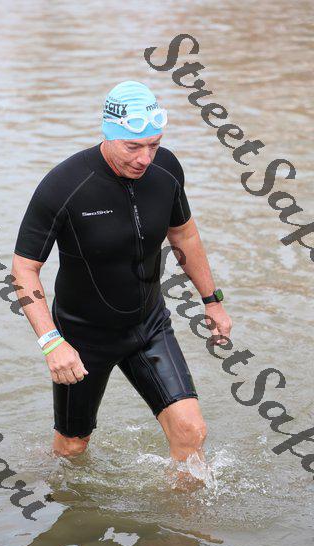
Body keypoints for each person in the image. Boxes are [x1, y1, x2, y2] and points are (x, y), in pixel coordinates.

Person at [12, 80, 232, 485]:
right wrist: (51, 342)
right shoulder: (64, 185)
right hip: (83, 337)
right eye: (133, 147)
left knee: (192, 432)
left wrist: (212, 300)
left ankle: (182, 524)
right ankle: (48, 491)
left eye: (154, 144)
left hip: (149, 324)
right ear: (108, 135)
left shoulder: (166, 169)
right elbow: (24, 268)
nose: (145, 158)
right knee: (72, 448)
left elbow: (184, 235)